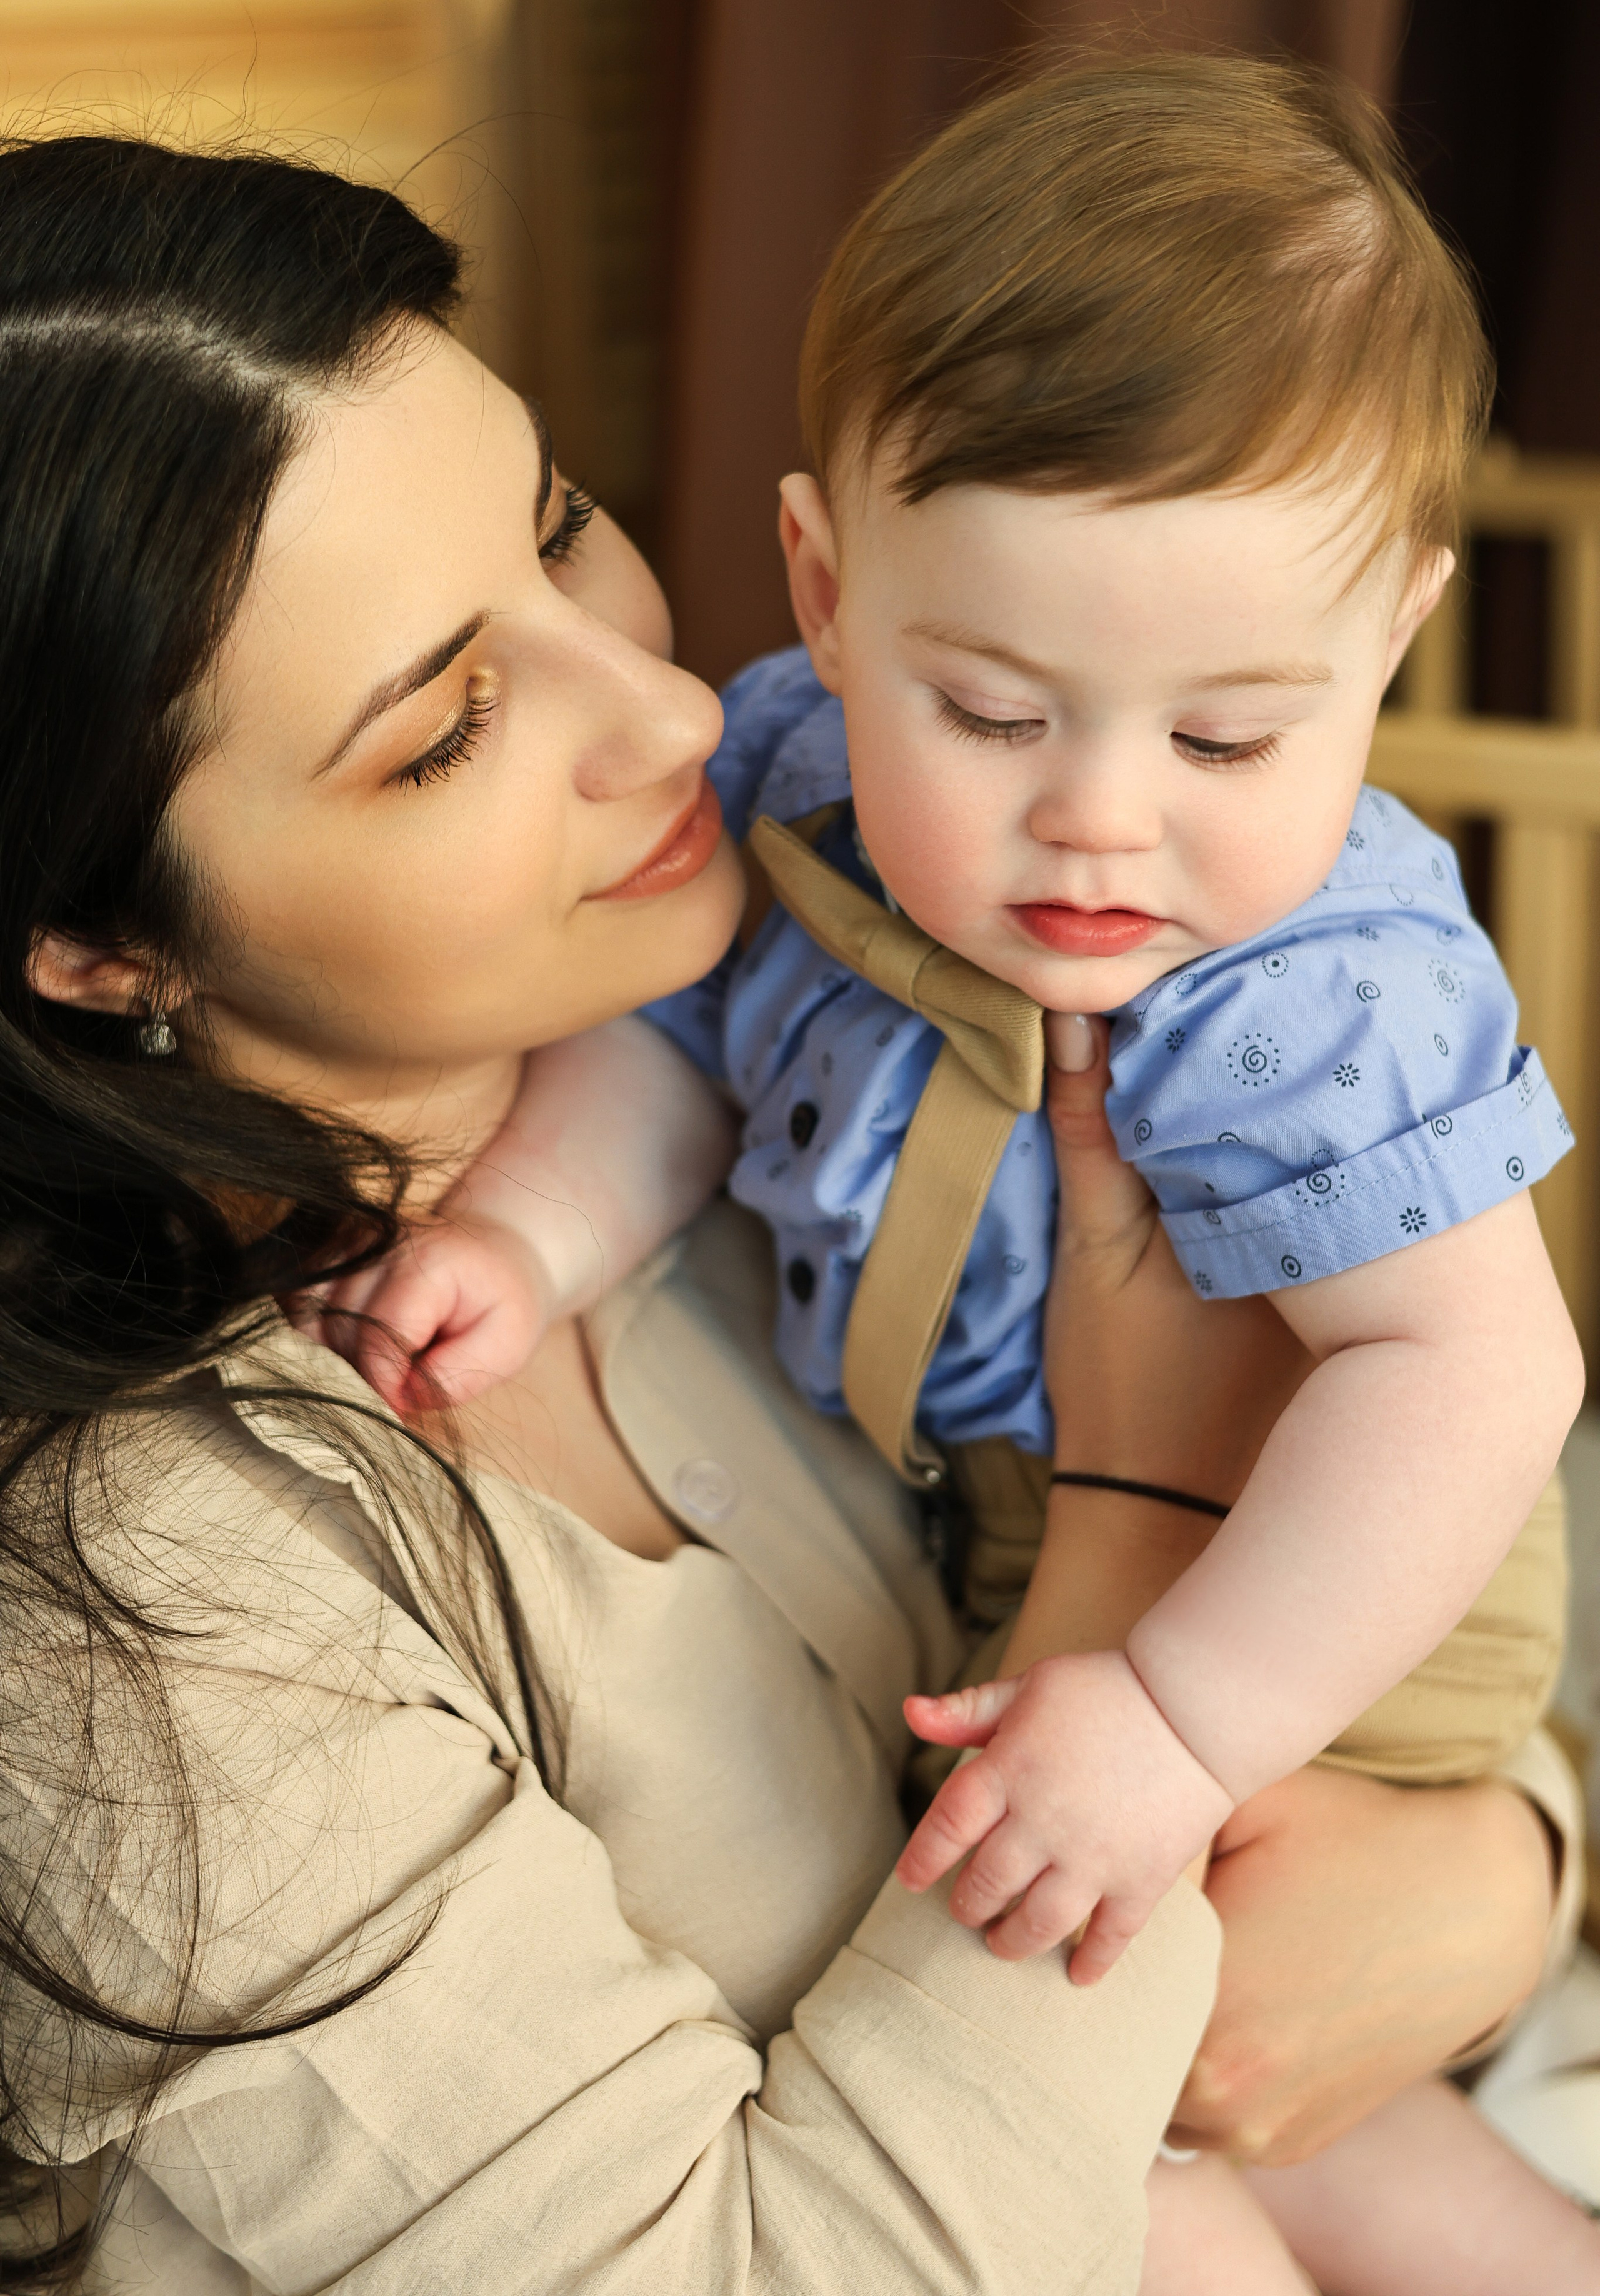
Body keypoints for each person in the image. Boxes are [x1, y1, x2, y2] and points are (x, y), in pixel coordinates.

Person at [0, 131, 1581, 2295]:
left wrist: (1505, 1871)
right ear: (95, 937)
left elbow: (1441, 1505)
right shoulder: (139, 1626)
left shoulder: (766, 974)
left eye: (564, 523)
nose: (672, 711)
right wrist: (1130, 1538)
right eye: (451, 722)